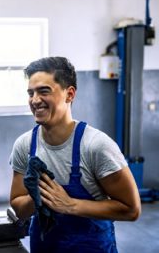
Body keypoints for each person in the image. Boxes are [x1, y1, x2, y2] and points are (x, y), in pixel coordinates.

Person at [9, 57, 141, 253]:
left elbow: (131, 209)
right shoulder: (25, 145)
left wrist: (71, 205)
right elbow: (18, 206)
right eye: (31, 93)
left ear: (69, 94)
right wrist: (36, 198)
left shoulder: (96, 146)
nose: (35, 100)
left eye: (44, 91)